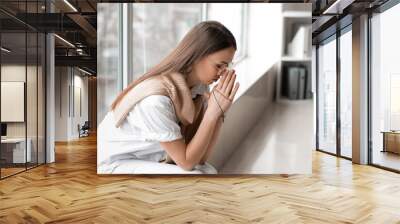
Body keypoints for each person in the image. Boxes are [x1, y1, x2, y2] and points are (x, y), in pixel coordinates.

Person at [97, 21, 240, 174]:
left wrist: (218, 113)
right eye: (219, 66)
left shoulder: (198, 88)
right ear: (197, 56)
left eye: (227, 66)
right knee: (197, 175)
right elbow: (187, 163)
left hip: (144, 158)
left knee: (208, 170)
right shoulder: (157, 101)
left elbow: (201, 158)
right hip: (114, 163)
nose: (223, 73)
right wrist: (211, 113)